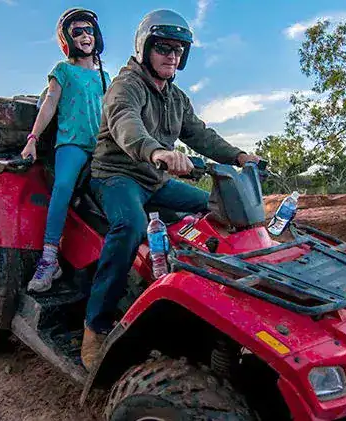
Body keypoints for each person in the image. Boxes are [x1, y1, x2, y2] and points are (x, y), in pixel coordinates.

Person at [80, 9, 261, 369]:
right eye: (163, 48)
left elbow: (200, 134)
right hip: (116, 175)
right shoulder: (125, 86)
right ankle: (95, 325)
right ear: (144, 48)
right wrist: (158, 152)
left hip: (155, 180)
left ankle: (217, 292)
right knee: (129, 225)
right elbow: (126, 124)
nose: (172, 56)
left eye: (178, 50)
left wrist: (240, 156)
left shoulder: (175, 97)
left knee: (217, 208)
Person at [20, 8, 111, 293]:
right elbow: (49, 104)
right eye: (78, 32)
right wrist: (32, 138)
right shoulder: (63, 70)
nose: (85, 36)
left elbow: (114, 114)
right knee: (62, 188)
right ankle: (49, 259)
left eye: (89, 31)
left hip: (101, 145)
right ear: (68, 40)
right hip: (72, 142)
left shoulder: (105, 76)